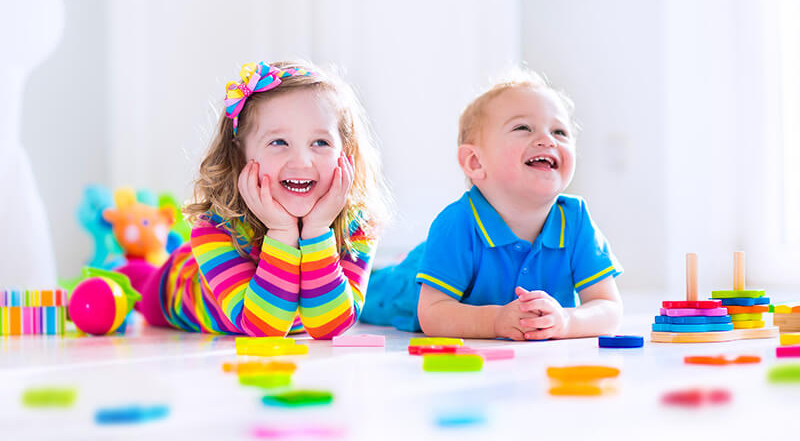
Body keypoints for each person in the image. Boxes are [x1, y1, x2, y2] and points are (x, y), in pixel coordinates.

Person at [120, 60, 390, 338]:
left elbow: (330, 327)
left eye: (320, 142)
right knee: (136, 282)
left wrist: (318, 231)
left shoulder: (359, 224)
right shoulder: (215, 229)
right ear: (240, 154)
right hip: (174, 289)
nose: (301, 161)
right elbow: (263, 328)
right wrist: (282, 231)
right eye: (279, 142)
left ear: (345, 152)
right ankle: (125, 266)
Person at [362, 68, 623, 340]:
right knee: (370, 292)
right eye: (523, 127)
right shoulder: (457, 223)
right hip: (408, 282)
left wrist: (567, 321)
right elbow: (433, 313)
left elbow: (609, 308)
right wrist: (495, 321)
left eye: (560, 132)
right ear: (475, 162)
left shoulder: (576, 220)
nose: (547, 139)